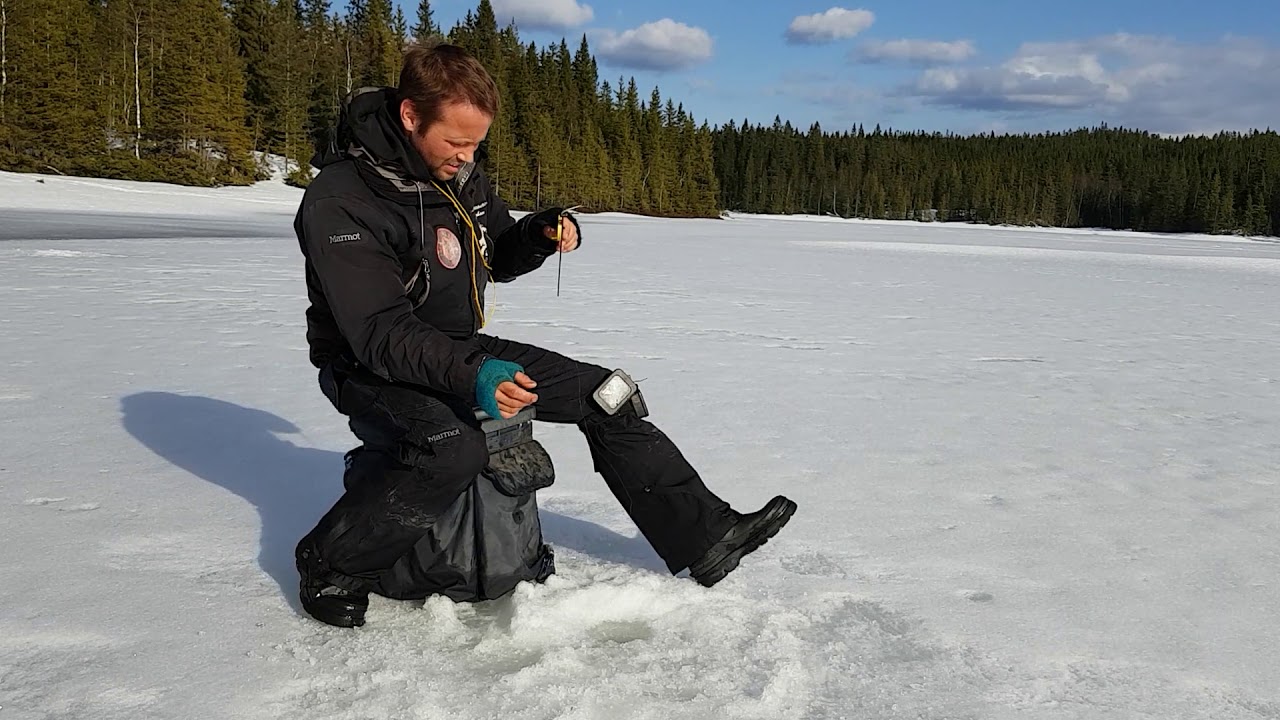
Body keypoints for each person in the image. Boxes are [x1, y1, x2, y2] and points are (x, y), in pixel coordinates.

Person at [292, 43, 796, 628]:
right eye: (456, 141)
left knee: (608, 395)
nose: (467, 156)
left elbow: (496, 252)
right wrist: (473, 374)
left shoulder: (455, 174)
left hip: (456, 349)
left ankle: (708, 537)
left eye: (476, 143)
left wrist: (534, 234)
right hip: (365, 367)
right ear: (410, 116)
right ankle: (329, 563)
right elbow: (378, 331)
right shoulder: (342, 199)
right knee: (452, 448)